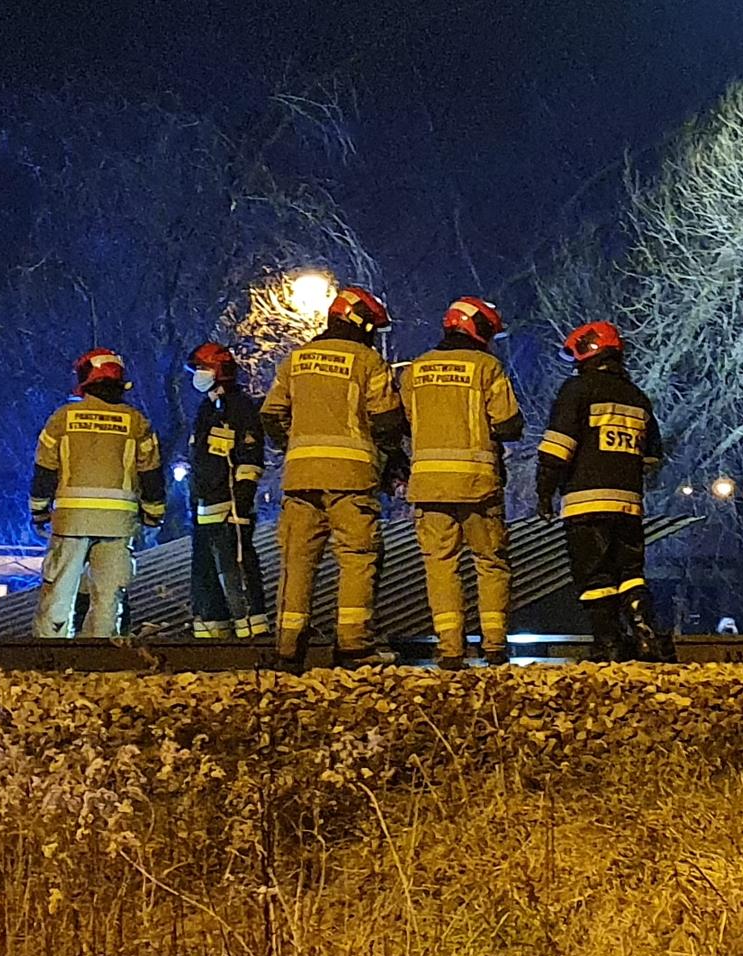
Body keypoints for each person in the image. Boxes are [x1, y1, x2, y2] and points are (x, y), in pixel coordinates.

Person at [261, 284, 403, 666]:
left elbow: (271, 415)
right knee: (358, 558)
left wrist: (294, 447)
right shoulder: (367, 362)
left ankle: (287, 651)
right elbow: (388, 422)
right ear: (360, 322)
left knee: (297, 562)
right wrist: (389, 461)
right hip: (351, 481)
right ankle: (354, 646)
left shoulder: (296, 360)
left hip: (300, 480)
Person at [401, 296, 523, 669]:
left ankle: (451, 649)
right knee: (490, 562)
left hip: (428, 484)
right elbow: (508, 425)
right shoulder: (487, 367)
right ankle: (495, 646)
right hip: (477, 485)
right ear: (477, 328)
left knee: (440, 565)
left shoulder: (415, 370)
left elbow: (402, 421)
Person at [535, 320, 667, 662]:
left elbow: (557, 448)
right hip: (628, 504)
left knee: (594, 575)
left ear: (587, 350)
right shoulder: (637, 397)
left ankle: (608, 643)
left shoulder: (577, 391)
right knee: (630, 572)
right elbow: (652, 456)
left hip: (585, 502)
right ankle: (644, 633)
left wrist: (544, 492)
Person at [30, 350, 163, 638]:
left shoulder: (62, 418)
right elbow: (151, 473)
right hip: (117, 525)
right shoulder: (136, 421)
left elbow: (44, 470)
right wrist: (153, 514)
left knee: (59, 594)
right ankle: (101, 660)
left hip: (70, 523)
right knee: (108, 597)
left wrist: (39, 510)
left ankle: (49, 655)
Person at [182, 342, 273, 640]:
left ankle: (251, 632)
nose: (197, 375)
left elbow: (249, 454)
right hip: (205, 507)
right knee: (205, 573)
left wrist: (244, 496)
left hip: (231, 505)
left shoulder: (239, 407)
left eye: (201, 368)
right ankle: (211, 633)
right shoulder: (207, 408)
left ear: (217, 370)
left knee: (236, 570)